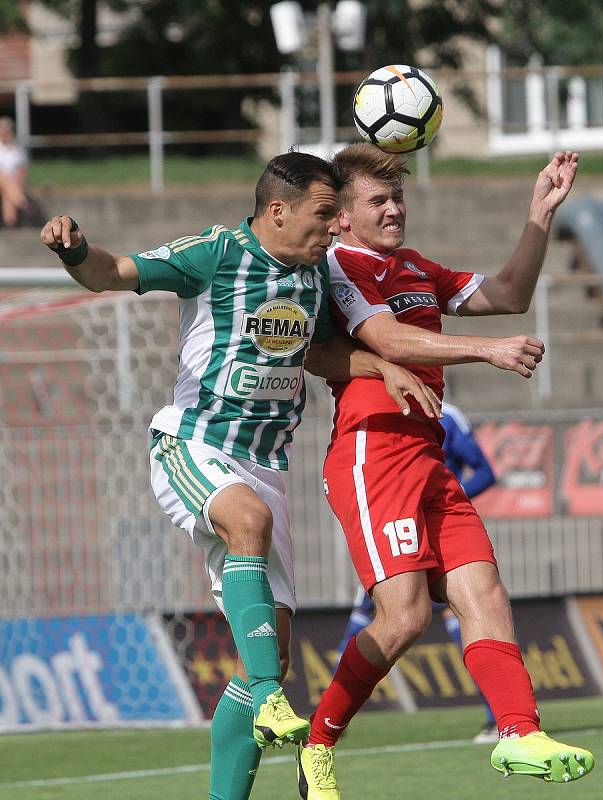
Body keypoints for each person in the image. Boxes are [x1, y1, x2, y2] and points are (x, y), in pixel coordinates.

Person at [40, 150, 524, 800]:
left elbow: (322, 351)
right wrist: (75, 251)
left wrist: (384, 368)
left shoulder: (317, 276)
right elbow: (114, 271)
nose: (334, 228)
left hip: (265, 465)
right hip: (193, 442)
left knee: (274, 644)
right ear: (278, 210)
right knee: (249, 525)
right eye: (325, 215)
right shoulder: (216, 253)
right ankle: (271, 697)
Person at [297, 144, 594, 800]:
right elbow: (389, 341)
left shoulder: (414, 267)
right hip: (373, 456)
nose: (395, 208)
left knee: (484, 592)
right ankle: (318, 744)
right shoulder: (343, 264)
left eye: (398, 197)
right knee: (403, 618)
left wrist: (539, 214)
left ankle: (519, 732)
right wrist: (486, 350)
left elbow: (510, 293)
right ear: (342, 217)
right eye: (378, 200)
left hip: (426, 458)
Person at [334, 402, 498, 742]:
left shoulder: (446, 415)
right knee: (359, 624)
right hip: (393, 528)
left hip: (436, 534)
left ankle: (497, 720)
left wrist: (444, 504)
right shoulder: (372, 410)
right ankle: (332, 720)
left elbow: (484, 471)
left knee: (466, 620)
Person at [0, 116, 29, 228]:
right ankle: (22, 203)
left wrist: (17, 180)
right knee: (3, 179)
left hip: (12, 183)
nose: (4, 133)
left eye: (7, 131)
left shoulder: (17, 149)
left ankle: (10, 223)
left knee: (7, 192)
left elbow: (22, 170)